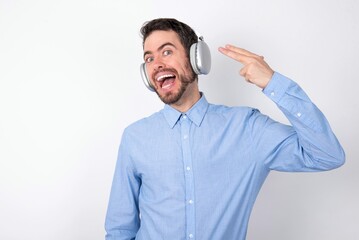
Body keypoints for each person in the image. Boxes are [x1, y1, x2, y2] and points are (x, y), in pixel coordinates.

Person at [105, 18, 345, 240]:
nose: (156, 64)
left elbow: (326, 155)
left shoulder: (247, 128)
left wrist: (273, 83)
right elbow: (119, 230)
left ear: (196, 58)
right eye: (149, 58)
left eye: (167, 52)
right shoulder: (135, 137)